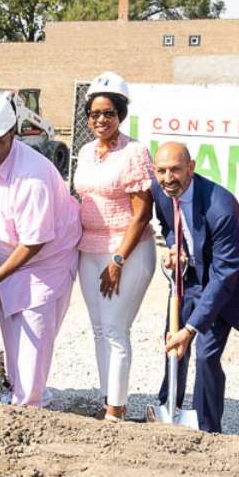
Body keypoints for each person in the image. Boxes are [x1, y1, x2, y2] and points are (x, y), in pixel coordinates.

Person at [0, 95, 82, 408]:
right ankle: (17, 394)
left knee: (33, 346)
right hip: (6, 258)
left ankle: (29, 409)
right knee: (13, 341)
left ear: (13, 133)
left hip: (44, 266)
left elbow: (34, 242)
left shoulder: (34, 177)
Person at [151, 142, 239, 433]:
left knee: (205, 353)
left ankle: (208, 427)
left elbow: (227, 271)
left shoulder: (221, 206)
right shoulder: (160, 191)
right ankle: (170, 408)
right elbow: (167, 225)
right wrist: (176, 247)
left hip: (220, 282)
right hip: (187, 277)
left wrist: (192, 328)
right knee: (174, 345)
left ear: (192, 167)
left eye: (175, 169)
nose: (168, 177)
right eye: (161, 170)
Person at [71, 72, 156, 421]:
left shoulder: (134, 152)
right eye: (94, 114)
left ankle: (117, 410)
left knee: (116, 329)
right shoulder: (87, 151)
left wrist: (119, 258)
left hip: (126, 251)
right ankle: (108, 397)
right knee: (98, 328)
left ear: (120, 114)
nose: (100, 120)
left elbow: (142, 212)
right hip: (88, 250)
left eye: (108, 113)